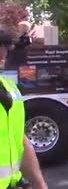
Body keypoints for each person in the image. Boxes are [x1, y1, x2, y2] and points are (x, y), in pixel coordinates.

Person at [0, 27, 48, 189]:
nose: (3, 55)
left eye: (5, 47)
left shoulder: (9, 87)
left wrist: (39, 183)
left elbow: (18, 138)